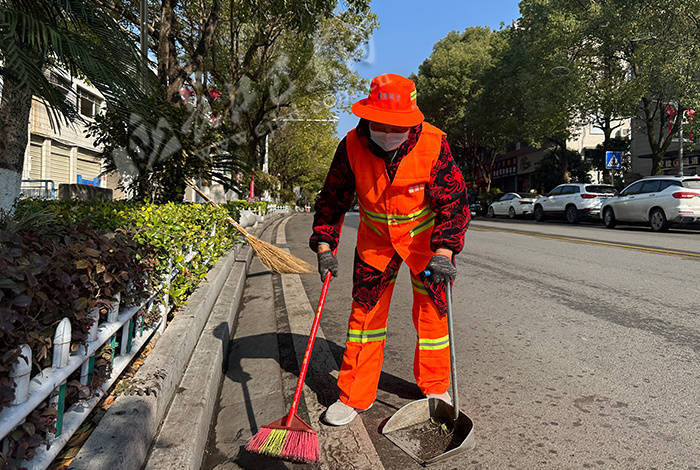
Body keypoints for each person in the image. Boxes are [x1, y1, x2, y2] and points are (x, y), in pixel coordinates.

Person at [310, 73, 470, 426]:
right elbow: (333, 199)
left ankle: (435, 386)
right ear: (367, 118)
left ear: (412, 122)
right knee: (364, 319)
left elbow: (453, 202)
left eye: (397, 128)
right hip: (375, 243)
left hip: (425, 245)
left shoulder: (433, 143)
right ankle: (353, 394)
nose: (388, 134)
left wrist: (444, 251)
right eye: (381, 126)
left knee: (433, 317)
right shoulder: (351, 145)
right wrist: (325, 245)